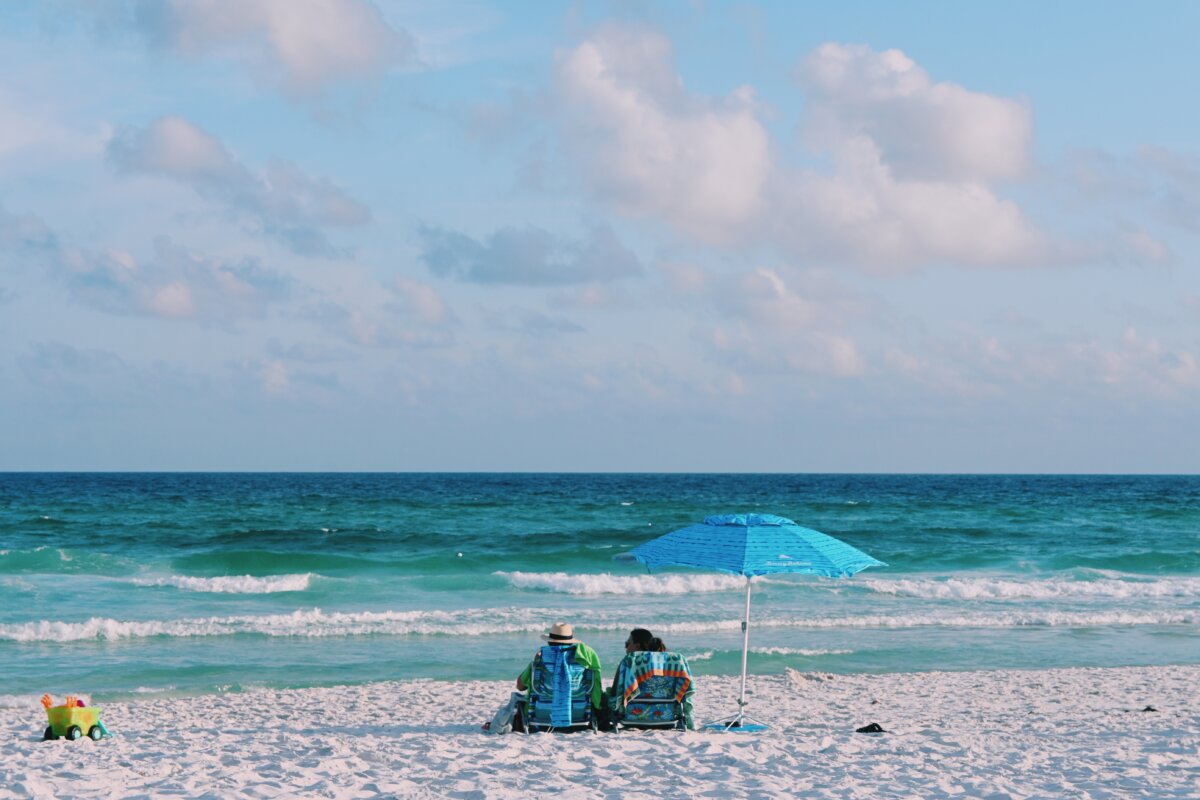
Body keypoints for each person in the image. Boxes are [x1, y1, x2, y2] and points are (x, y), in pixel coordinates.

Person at [511, 621, 604, 731]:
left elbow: (520, 686)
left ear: (549, 643)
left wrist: (534, 663)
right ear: (570, 643)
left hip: (542, 714)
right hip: (579, 713)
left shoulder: (540, 662)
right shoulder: (583, 663)